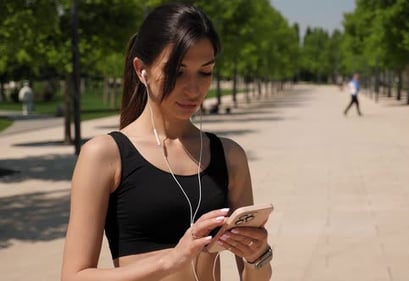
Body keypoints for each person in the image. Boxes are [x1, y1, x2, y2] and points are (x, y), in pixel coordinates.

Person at [61, 3, 272, 281]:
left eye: (205, 72)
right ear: (141, 69)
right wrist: (171, 260)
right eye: (178, 71)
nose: (194, 88)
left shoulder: (229, 156)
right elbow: (73, 276)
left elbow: (254, 278)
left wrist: (258, 255)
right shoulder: (105, 155)